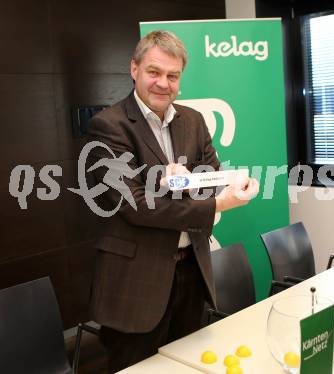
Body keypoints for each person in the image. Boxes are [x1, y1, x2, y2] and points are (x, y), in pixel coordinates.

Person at [87, 30, 259, 373]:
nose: (163, 83)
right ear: (134, 69)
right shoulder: (108, 127)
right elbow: (135, 206)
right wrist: (218, 204)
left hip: (191, 273)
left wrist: (188, 183)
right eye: (154, 72)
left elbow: (212, 178)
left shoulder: (192, 121)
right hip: (137, 284)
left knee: (188, 365)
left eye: (172, 75)